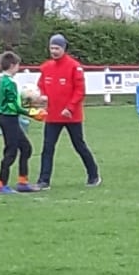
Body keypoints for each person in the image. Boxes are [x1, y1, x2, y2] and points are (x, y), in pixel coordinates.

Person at [36, 33, 100, 188]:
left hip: (71, 116)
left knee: (79, 145)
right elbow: (41, 86)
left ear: (64, 48)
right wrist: (41, 96)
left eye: (57, 48)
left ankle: (93, 175)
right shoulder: (46, 67)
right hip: (52, 115)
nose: (54, 51)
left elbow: (80, 91)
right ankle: (44, 180)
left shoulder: (74, 67)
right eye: (52, 48)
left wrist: (70, 108)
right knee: (47, 148)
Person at [0, 50, 37, 193]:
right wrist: (32, 113)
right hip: (9, 118)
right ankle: (1, 184)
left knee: (25, 148)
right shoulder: (10, 83)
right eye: (18, 65)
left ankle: (22, 182)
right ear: (12, 65)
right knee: (11, 151)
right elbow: (13, 106)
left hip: (6, 118)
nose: (18, 68)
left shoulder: (2, 80)